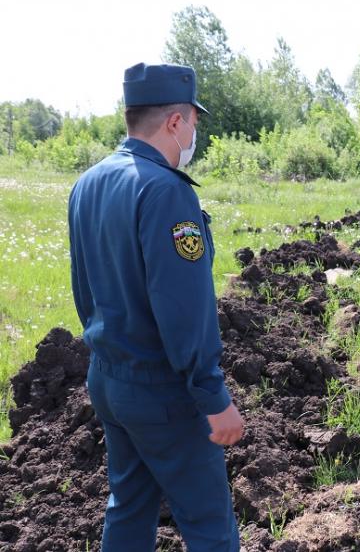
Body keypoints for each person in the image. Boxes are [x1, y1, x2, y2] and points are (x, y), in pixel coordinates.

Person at [68, 62, 243, 551]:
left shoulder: (89, 183)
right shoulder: (165, 191)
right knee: (208, 521)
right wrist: (213, 396)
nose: (194, 135)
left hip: (108, 378)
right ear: (174, 122)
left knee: (129, 506)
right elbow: (183, 308)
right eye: (193, 123)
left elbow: (84, 287)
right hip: (163, 392)